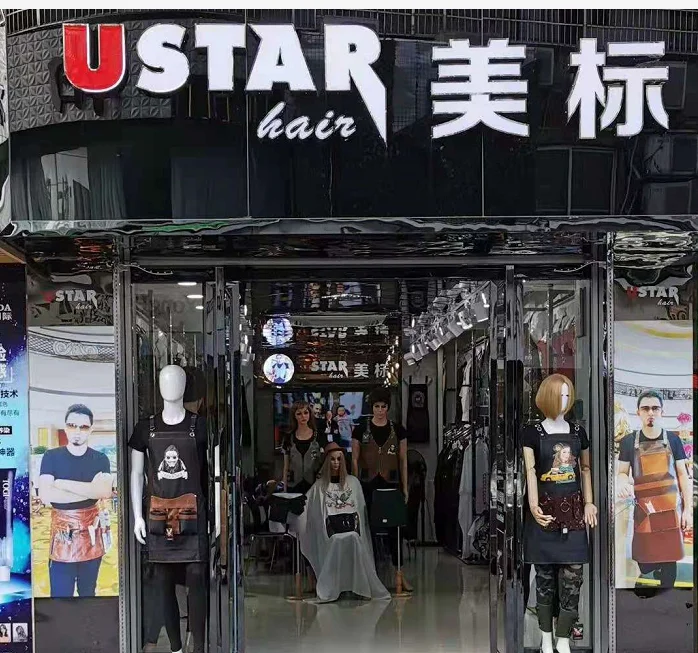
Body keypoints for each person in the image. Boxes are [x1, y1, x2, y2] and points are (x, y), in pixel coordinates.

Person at [617, 390, 692, 590]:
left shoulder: (674, 440)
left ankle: (667, 598)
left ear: (662, 412)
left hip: (670, 511)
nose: (651, 412)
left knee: (669, 564)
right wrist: (622, 482)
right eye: (646, 408)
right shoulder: (628, 442)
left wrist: (687, 510)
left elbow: (683, 475)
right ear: (638, 412)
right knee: (644, 562)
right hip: (644, 511)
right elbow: (622, 472)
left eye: (655, 408)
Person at [297, 442, 390, 603]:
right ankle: (333, 586)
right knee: (336, 540)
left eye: (339, 459)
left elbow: (360, 510)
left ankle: (360, 587)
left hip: (353, 529)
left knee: (354, 539)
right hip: (329, 531)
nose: (336, 463)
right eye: (333, 459)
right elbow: (310, 510)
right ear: (327, 462)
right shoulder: (319, 486)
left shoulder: (353, 483)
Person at [39, 404, 112, 598]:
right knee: (60, 595)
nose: (77, 431)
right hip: (62, 534)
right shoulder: (51, 457)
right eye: (72, 425)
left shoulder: (100, 459)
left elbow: (104, 491)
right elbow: (46, 495)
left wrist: (61, 484)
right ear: (65, 427)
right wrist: (91, 490)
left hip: (91, 532)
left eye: (83, 427)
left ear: (91, 429)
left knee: (88, 593)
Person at [352, 388, 412, 592]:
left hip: (391, 484)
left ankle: (399, 574)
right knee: (366, 529)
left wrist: (405, 487)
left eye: (383, 406)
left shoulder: (399, 430)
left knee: (396, 530)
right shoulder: (360, 429)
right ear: (372, 407)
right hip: (367, 485)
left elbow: (403, 460)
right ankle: (367, 575)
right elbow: (354, 460)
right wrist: (354, 486)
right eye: (376, 406)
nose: (380, 410)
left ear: (388, 408)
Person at [282, 401, 325, 494]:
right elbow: (286, 466)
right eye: (299, 414)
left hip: (314, 485)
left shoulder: (319, 435)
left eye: (306, 413)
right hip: (293, 486)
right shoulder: (288, 437)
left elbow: (324, 463)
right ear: (294, 416)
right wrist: (284, 490)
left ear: (310, 414)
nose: (303, 416)